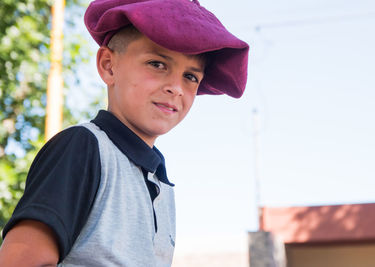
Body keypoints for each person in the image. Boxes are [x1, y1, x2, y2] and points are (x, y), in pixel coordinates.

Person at [0, 0, 249, 266]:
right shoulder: (83, 148)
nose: (176, 88)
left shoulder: (161, 185)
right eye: (157, 64)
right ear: (109, 66)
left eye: (190, 77)